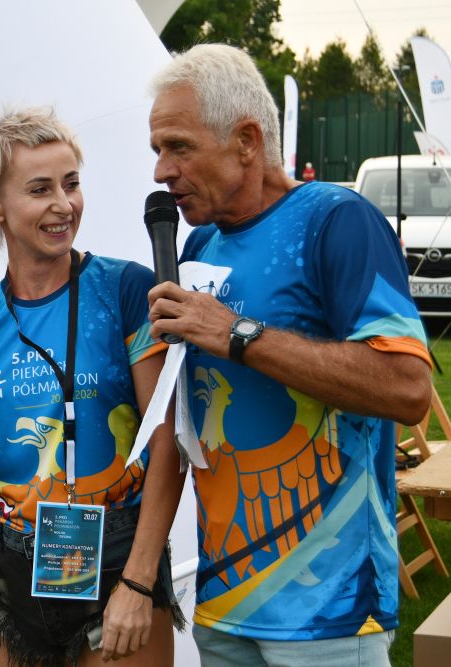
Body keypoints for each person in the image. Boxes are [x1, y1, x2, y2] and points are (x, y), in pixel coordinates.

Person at [146, 44, 433, 666]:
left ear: (247, 140)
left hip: (329, 614)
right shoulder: (198, 243)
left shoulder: (338, 221)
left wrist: (238, 334)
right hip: (224, 602)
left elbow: (408, 388)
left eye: (179, 147)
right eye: (158, 150)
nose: (162, 171)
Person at [0, 107, 185, 667]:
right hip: (6, 563)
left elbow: (168, 440)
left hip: (118, 558)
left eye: (71, 184)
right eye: (40, 189)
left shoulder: (125, 292)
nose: (64, 205)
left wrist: (139, 581)